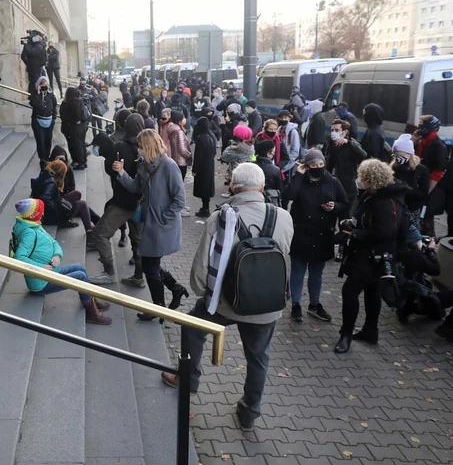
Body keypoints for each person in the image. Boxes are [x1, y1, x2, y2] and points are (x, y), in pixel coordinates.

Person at [162, 163, 294, 431]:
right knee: (258, 358)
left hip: (226, 303)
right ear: (262, 187)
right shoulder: (283, 217)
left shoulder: (220, 218)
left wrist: (206, 294)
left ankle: (189, 378)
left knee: (192, 326)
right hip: (268, 304)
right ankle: (249, 413)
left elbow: (201, 270)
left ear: (233, 186)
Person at [334, 159, 410, 354]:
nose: (359, 179)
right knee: (371, 292)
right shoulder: (376, 196)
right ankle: (370, 330)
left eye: (362, 177)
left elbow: (385, 232)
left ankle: (346, 334)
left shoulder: (384, 202)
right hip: (373, 256)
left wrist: (356, 233)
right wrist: (352, 223)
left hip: (369, 256)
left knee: (350, 292)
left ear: (370, 179)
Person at [112, 130, 188, 321]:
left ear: (148, 146)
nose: (138, 150)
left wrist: (163, 217)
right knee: (150, 266)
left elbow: (180, 199)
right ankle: (175, 290)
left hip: (162, 226)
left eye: (140, 146)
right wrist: (121, 173)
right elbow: (135, 187)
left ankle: (158, 307)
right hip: (150, 224)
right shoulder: (144, 165)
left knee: (150, 266)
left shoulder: (169, 166)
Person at [12, 199, 112, 325]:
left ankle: (90, 298)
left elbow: (53, 242)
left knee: (79, 267)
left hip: (49, 273)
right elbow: (19, 258)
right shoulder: (29, 233)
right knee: (80, 276)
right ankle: (91, 313)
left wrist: (57, 255)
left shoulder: (35, 226)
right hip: (41, 282)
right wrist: (41, 267)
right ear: (34, 215)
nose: (43, 213)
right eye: (41, 211)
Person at [283, 149, 348, 323]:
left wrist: (335, 207)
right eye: (313, 165)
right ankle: (296, 304)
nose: (318, 167)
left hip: (323, 234)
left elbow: (344, 203)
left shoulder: (333, 182)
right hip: (301, 233)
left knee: (317, 272)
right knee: (298, 271)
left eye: (321, 164)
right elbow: (288, 195)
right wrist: (298, 175)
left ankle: (314, 304)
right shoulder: (301, 181)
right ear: (307, 166)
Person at [90, 113, 146, 286]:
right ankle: (139, 275)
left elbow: (110, 169)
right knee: (138, 239)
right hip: (141, 202)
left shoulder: (120, 146)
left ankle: (109, 272)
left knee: (100, 233)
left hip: (124, 202)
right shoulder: (145, 146)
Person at [32, 160, 96, 241]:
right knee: (82, 204)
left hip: (49, 210)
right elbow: (44, 198)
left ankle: (90, 220)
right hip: (52, 216)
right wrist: (57, 207)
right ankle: (89, 231)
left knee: (77, 194)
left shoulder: (44, 174)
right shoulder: (52, 183)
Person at [395, 228, 442, 323]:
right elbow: (436, 270)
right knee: (441, 310)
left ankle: (405, 309)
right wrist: (431, 250)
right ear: (413, 242)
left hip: (401, 294)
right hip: (419, 295)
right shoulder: (415, 255)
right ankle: (411, 309)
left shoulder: (397, 250)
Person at [324, 119, 367, 219]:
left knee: (344, 216)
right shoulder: (332, 144)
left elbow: (363, 155)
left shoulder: (351, 144)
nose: (333, 133)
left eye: (336, 130)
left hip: (347, 188)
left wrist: (348, 143)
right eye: (332, 130)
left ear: (344, 132)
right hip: (333, 186)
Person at [412, 115, 448, 235]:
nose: (418, 128)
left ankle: (428, 241)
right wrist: (414, 141)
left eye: (421, 125)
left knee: (426, 219)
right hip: (419, 183)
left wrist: (426, 191)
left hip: (431, 188)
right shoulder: (422, 142)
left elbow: (438, 172)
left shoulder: (439, 146)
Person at [391, 134, 429, 233]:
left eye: (400, 155)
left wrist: (405, 189)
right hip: (395, 207)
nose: (397, 158)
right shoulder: (393, 167)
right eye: (395, 155)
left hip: (411, 209)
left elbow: (423, 194)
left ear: (409, 154)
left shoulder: (421, 170)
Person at [192, 117, 218, 218]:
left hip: (202, 167)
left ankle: (205, 209)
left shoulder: (200, 138)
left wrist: (195, 169)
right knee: (207, 187)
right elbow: (214, 152)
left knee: (202, 188)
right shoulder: (211, 136)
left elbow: (198, 155)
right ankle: (205, 207)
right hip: (210, 165)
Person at [28, 75, 57, 163]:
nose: (44, 86)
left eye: (45, 84)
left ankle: (47, 157)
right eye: (42, 84)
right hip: (38, 120)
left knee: (48, 140)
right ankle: (42, 158)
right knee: (40, 140)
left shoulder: (51, 94)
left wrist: (53, 118)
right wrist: (37, 93)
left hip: (49, 120)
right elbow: (33, 104)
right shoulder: (34, 94)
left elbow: (54, 106)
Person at [59, 87, 89, 169]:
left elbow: (70, 115)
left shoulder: (70, 102)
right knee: (81, 144)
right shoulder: (80, 101)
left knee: (76, 144)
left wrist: (75, 120)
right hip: (82, 126)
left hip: (73, 127)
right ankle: (83, 161)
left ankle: (80, 162)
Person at [161, 109, 192, 187]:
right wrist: (189, 155)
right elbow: (182, 149)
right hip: (181, 161)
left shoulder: (172, 129)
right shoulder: (179, 132)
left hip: (175, 158)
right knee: (179, 183)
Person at [254, 140, 284, 206]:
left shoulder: (250, 165)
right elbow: (279, 189)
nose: (274, 155)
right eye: (273, 153)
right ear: (268, 154)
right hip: (268, 200)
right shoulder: (275, 170)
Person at [276, 110, 301, 183]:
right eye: (281, 118)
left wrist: (287, 163)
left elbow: (295, 150)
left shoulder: (293, 132)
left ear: (289, 118)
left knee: (286, 182)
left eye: (285, 117)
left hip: (288, 164)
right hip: (279, 162)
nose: (283, 119)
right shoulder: (279, 129)